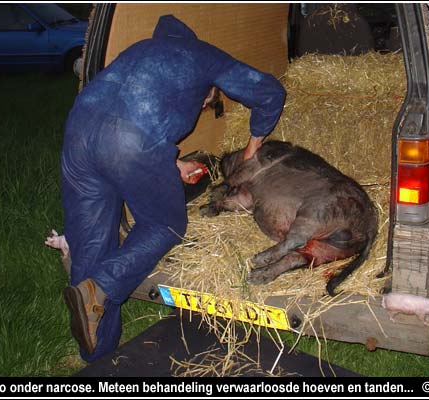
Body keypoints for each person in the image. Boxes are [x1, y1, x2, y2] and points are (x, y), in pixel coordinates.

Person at [56, 14, 286, 362]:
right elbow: (270, 92)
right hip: (132, 141)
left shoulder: (141, 51)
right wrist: (252, 150)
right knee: (163, 225)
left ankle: (95, 356)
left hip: (79, 131)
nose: (206, 103)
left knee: (90, 245)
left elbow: (124, 111)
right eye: (209, 100)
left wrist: (171, 164)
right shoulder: (202, 56)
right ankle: (101, 288)